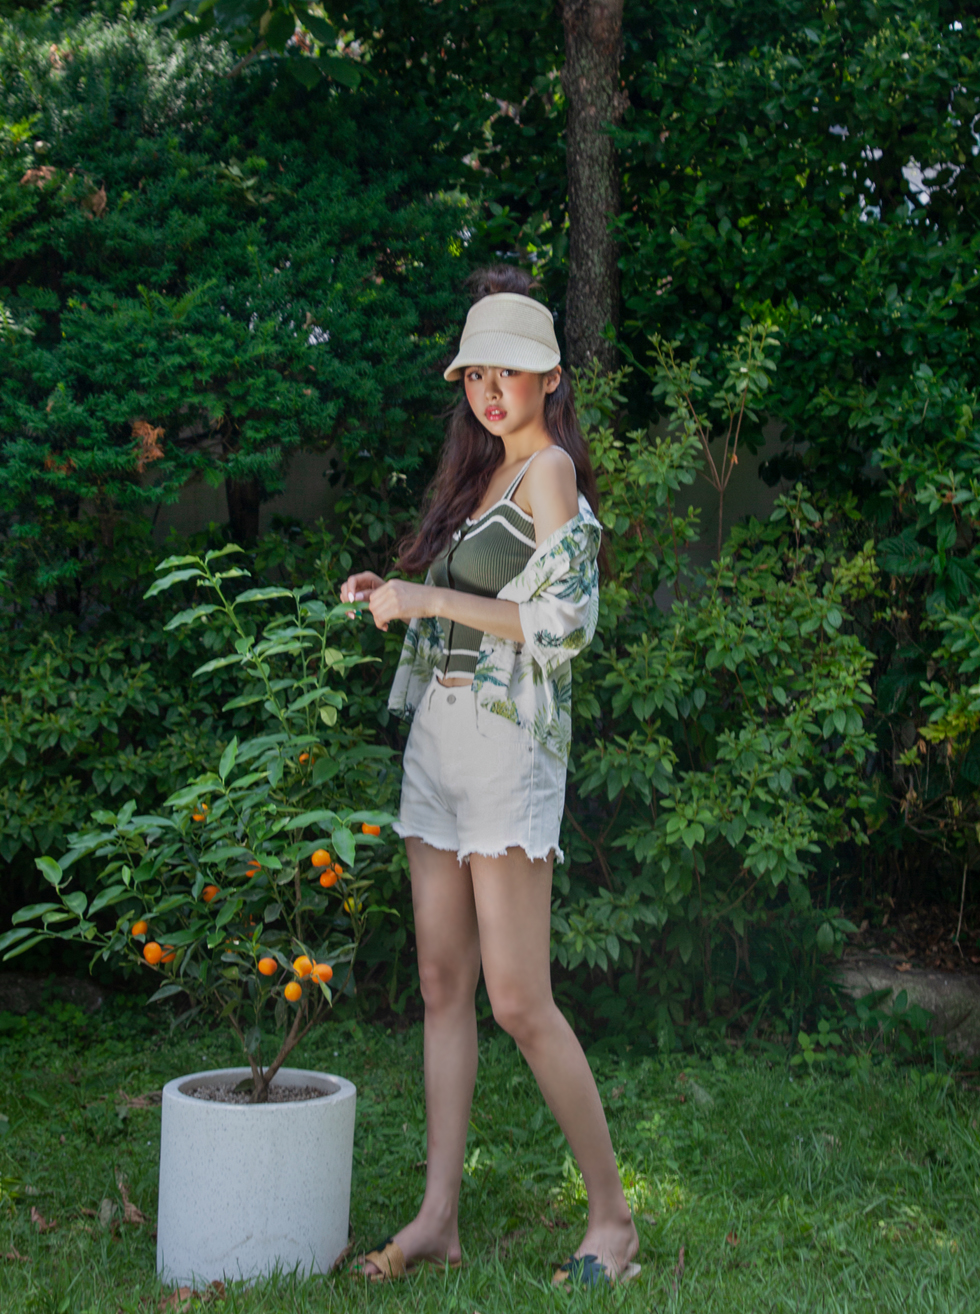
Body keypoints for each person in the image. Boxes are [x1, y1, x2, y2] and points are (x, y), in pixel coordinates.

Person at [341, 267, 640, 1288]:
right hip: (439, 746)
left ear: (550, 377)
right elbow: (464, 608)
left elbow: (562, 624)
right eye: (476, 374)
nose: (490, 391)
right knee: (441, 984)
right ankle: (438, 1219)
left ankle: (613, 1224)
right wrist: (395, 591)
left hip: (507, 753)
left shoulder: (546, 471)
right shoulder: (477, 484)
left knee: (517, 998)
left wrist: (428, 599)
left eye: (508, 373)